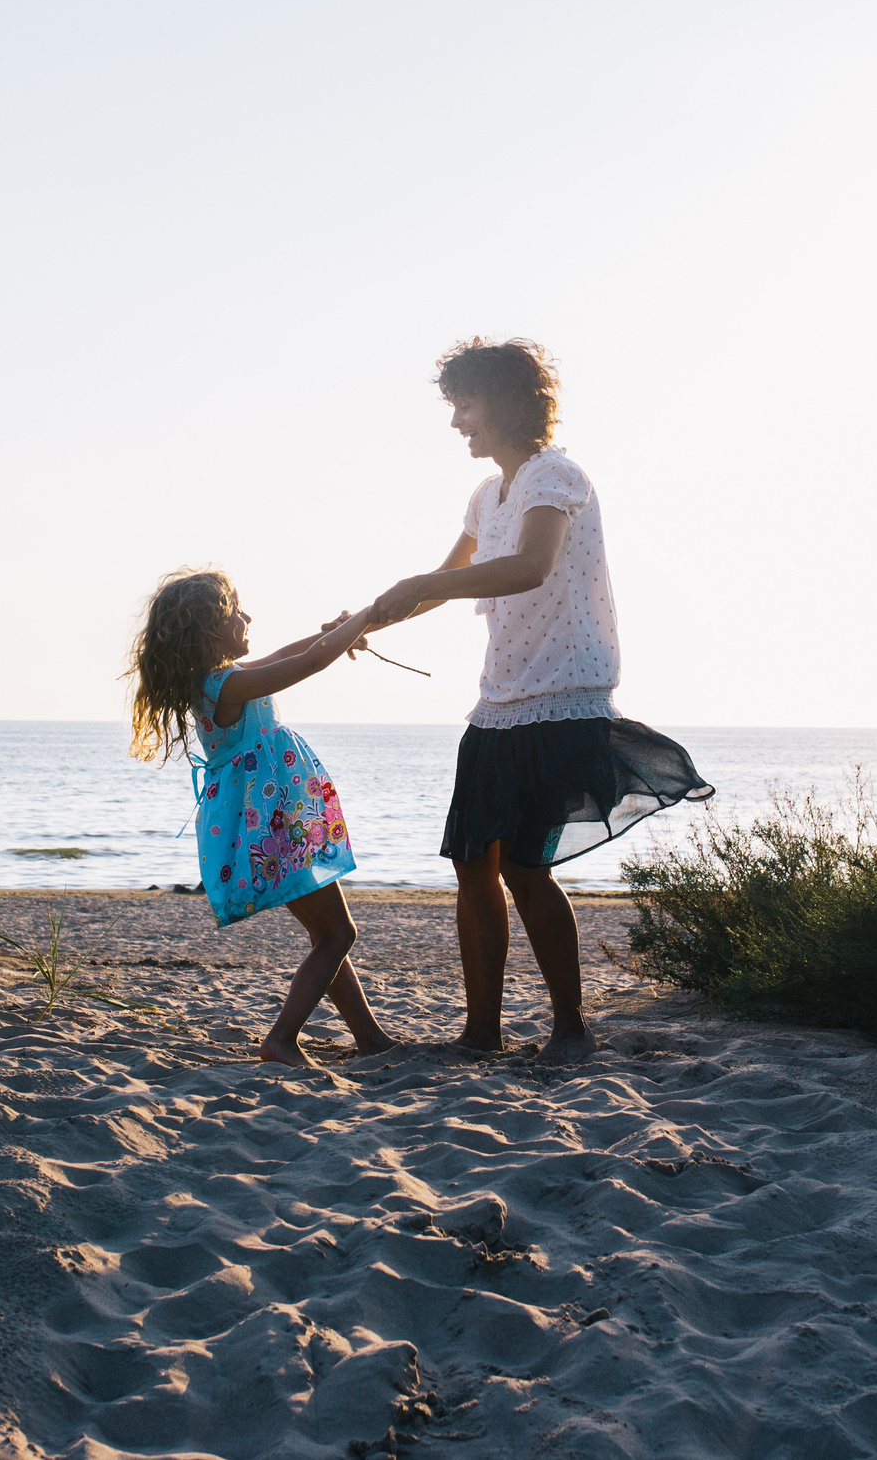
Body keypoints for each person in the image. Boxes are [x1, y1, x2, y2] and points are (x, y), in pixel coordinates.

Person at [369, 339, 712, 1063]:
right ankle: (481, 1032)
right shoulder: (484, 494)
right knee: (473, 865)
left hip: (563, 699)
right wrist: (365, 619)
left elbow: (529, 566)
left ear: (507, 401)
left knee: (527, 869)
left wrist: (420, 588)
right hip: (498, 703)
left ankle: (569, 1027)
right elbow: (441, 578)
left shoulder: (556, 474)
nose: (458, 420)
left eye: (466, 404)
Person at [127, 568, 398, 1069]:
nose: (247, 617)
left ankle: (370, 1038)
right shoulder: (225, 686)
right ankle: (282, 1039)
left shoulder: (217, 681)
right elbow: (310, 663)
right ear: (209, 630)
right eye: (235, 613)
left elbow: (292, 653)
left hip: (271, 822)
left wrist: (338, 631)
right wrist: (361, 618)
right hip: (274, 824)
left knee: (328, 934)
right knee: (339, 935)